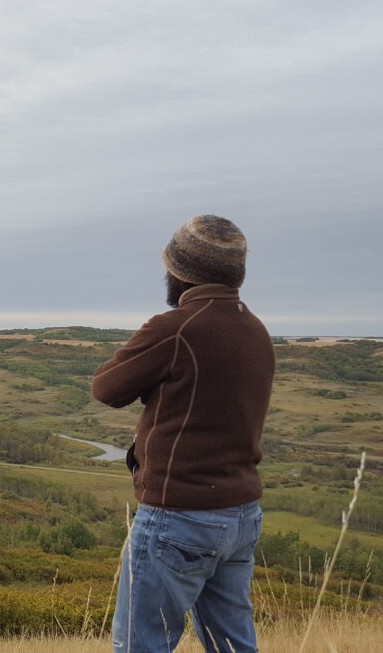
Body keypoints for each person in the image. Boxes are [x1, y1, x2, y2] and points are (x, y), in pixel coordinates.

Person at [91, 215, 275, 653]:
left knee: (142, 645)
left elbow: (106, 388)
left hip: (180, 515)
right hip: (241, 513)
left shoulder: (176, 326)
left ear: (180, 272)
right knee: (231, 645)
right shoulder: (256, 330)